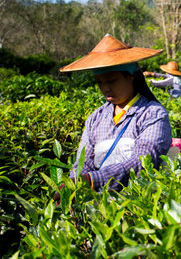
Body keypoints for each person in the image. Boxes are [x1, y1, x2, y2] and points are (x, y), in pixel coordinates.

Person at [58, 34, 172, 195]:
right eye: (99, 82)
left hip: (139, 202)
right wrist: (75, 184)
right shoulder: (95, 118)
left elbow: (142, 163)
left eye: (111, 81)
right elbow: (83, 162)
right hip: (98, 203)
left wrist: (93, 180)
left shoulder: (152, 113)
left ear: (131, 76)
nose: (105, 88)